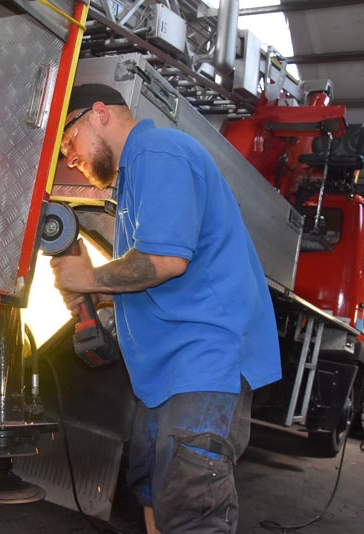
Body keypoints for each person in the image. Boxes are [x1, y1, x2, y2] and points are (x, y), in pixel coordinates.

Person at [50, 84, 282, 534]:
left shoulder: (159, 152)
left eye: (69, 142)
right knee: (152, 487)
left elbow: (165, 261)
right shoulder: (133, 179)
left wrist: (89, 278)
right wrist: (98, 296)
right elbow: (155, 276)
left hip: (204, 362)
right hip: (164, 376)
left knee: (191, 503)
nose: (70, 158)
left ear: (99, 113)